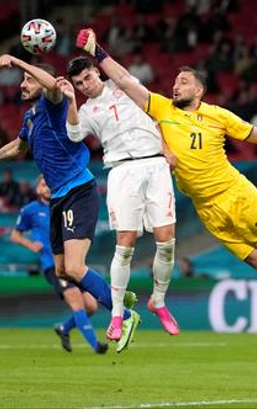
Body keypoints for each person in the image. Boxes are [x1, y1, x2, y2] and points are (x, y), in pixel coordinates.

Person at [76, 29, 257, 349]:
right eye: (175, 81)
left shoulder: (217, 115)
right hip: (209, 211)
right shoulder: (162, 109)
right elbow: (127, 81)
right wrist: (98, 52)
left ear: (199, 90)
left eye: (184, 82)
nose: (176, 85)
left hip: (237, 195)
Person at [0, 54, 139, 353]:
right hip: (58, 197)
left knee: (74, 265)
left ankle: (123, 313)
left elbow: (53, 85)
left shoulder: (53, 103)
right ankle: (117, 296)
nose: (22, 84)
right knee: (61, 270)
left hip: (78, 190)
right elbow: (19, 146)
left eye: (28, 80)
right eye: (23, 79)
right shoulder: (31, 118)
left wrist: (18, 62)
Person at [60, 56, 178, 341]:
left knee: (167, 241)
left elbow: (155, 115)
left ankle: (158, 301)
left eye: (87, 78)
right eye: (78, 84)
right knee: (125, 244)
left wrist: (166, 148)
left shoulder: (123, 85)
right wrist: (70, 101)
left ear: (96, 72)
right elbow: (74, 135)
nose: (85, 85)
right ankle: (115, 314)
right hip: (122, 170)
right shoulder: (86, 110)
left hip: (155, 164)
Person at [11, 175, 107, 354]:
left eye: (49, 183)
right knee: (77, 302)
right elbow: (15, 235)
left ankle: (64, 329)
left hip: (74, 263)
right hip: (54, 266)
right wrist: (30, 245)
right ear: (37, 189)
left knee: (91, 306)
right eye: (42, 184)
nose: (46, 187)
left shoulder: (64, 206)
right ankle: (96, 345)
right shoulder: (30, 210)